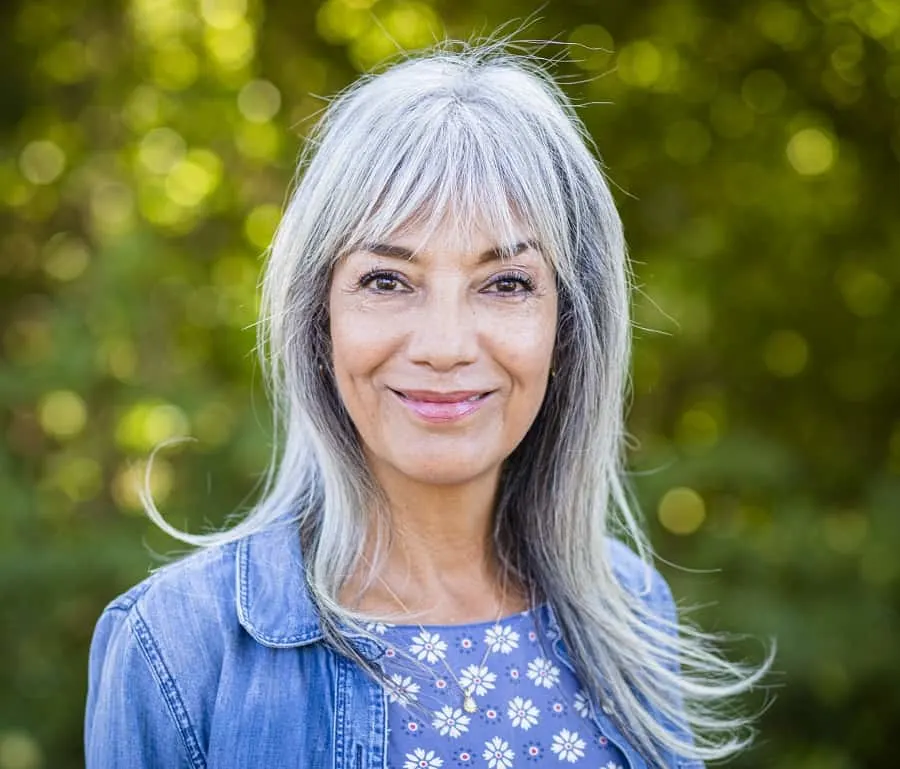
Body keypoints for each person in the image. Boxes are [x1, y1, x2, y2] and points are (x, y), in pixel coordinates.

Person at [84, 41, 770, 769]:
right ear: (320, 318)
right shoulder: (181, 644)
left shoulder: (631, 606)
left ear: (568, 327)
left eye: (505, 283)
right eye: (386, 280)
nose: (444, 345)